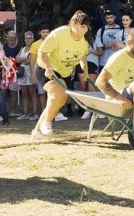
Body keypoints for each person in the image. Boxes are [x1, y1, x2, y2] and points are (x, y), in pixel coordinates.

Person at [31, 11, 90, 139]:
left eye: (86, 27)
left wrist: (85, 71)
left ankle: (37, 131)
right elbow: (42, 52)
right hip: (46, 68)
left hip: (66, 72)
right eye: (81, 26)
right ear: (73, 24)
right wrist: (47, 67)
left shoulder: (84, 40)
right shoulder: (59, 34)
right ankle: (46, 123)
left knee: (58, 101)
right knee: (58, 94)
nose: (84, 30)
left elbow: (83, 56)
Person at [15, 31, 38, 120]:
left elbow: (31, 61)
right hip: (22, 73)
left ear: (33, 39)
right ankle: (25, 113)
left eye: (29, 38)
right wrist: (25, 59)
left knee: (32, 93)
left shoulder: (34, 48)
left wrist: (23, 60)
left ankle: (35, 113)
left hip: (30, 72)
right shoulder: (23, 48)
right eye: (26, 38)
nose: (27, 40)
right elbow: (16, 59)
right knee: (24, 93)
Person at [29, 27, 50, 117]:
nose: (45, 33)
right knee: (41, 93)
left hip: (51, 70)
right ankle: (43, 112)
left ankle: (53, 112)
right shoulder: (35, 44)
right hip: (40, 71)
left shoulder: (53, 42)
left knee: (52, 92)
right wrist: (33, 74)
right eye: (43, 32)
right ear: (39, 33)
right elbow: (32, 60)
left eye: (47, 32)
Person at [3, 30, 21, 117]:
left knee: (13, 92)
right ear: (7, 38)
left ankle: (12, 111)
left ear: (16, 38)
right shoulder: (3, 46)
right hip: (4, 72)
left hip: (15, 73)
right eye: (10, 37)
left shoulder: (19, 47)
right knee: (2, 92)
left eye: (13, 37)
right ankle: (2, 110)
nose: (11, 39)